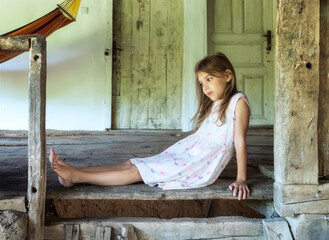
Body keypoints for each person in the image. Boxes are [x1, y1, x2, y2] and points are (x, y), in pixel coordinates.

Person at [50, 52, 251, 200]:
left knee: (138, 172)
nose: (205, 86)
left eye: (209, 79)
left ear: (228, 76)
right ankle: (76, 172)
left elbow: (239, 141)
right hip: (190, 152)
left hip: (198, 163)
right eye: (201, 82)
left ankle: (75, 176)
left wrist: (241, 178)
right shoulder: (218, 102)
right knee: (133, 163)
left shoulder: (238, 102)